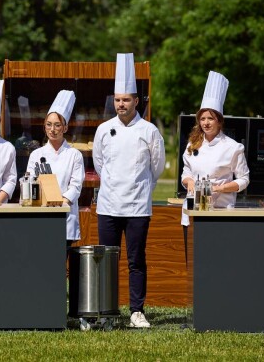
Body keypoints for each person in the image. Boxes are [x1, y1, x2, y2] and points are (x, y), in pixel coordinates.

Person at [92, 53, 165, 329]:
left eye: (126, 99)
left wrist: (141, 187)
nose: (121, 104)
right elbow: (99, 163)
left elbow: (157, 166)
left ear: (136, 101)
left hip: (137, 206)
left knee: (136, 260)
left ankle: (136, 311)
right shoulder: (103, 129)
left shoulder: (149, 131)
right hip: (108, 204)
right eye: (117, 99)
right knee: (107, 261)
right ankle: (106, 311)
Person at [181, 71, 249, 224]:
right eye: (202, 119)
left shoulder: (233, 147)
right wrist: (189, 182)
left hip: (221, 211)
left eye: (210, 118)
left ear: (219, 121)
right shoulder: (192, 145)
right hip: (192, 210)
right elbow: (186, 172)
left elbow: (244, 179)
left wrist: (219, 188)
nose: (206, 123)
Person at [26, 90, 84, 242]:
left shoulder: (74, 155)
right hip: (41, 215)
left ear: (65, 128)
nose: (52, 129)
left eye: (57, 125)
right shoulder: (36, 155)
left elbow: (76, 186)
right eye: (49, 125)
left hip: (65, 216)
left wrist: (61, 203)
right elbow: (30, 182)